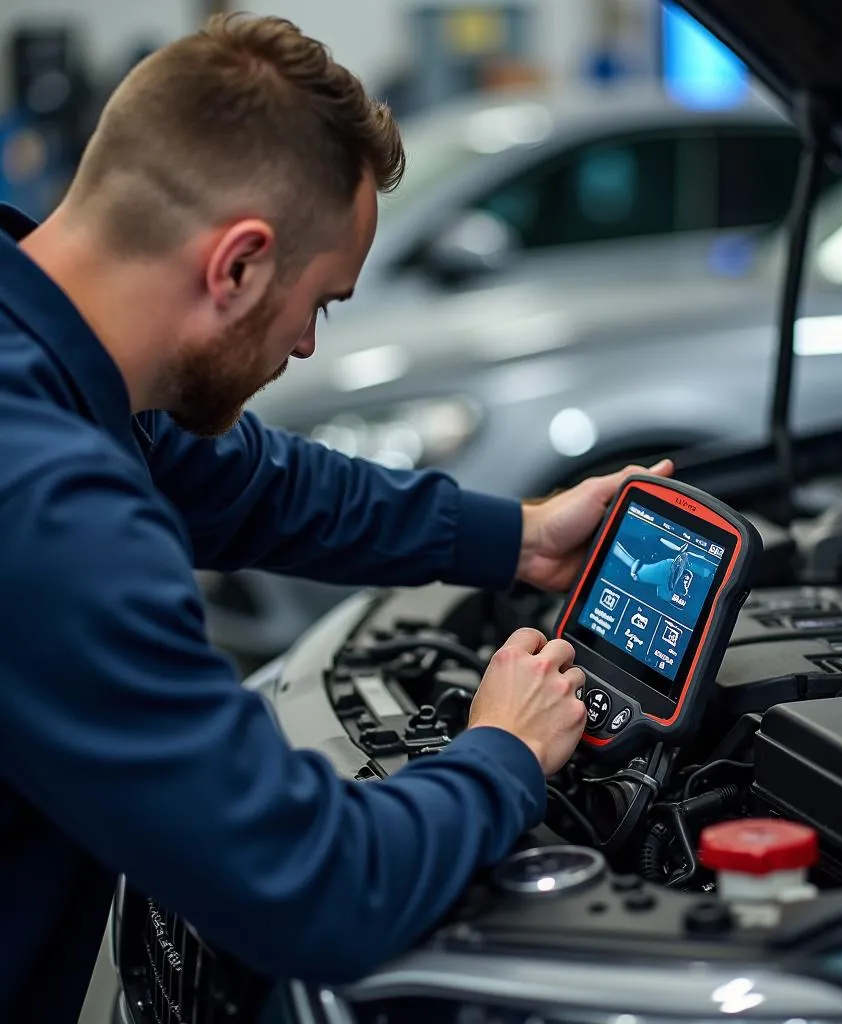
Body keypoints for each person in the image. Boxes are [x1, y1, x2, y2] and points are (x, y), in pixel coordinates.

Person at [0, 13, 674, 1021]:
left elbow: (258, 484)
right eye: (319, 302)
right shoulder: (47, 503)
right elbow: (312, 888)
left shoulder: (57, 370)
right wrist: (501, 752)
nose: (308, 347)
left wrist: (520, 536)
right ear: (236, 265)